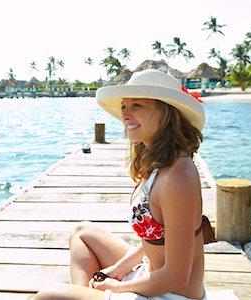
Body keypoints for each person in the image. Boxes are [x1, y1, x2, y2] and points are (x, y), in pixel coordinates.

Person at [35, 69, 207, 300]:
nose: (125, 114)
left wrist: (116, 288)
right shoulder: (161, 164)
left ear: (166, 113)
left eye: (137, 105)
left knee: (47, 296)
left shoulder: (178, 177)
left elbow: (177, 276)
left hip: (171, 295)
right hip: (151, 273)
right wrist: (119, 269)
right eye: (124, 106)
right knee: (82, 233)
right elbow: (158, 240)